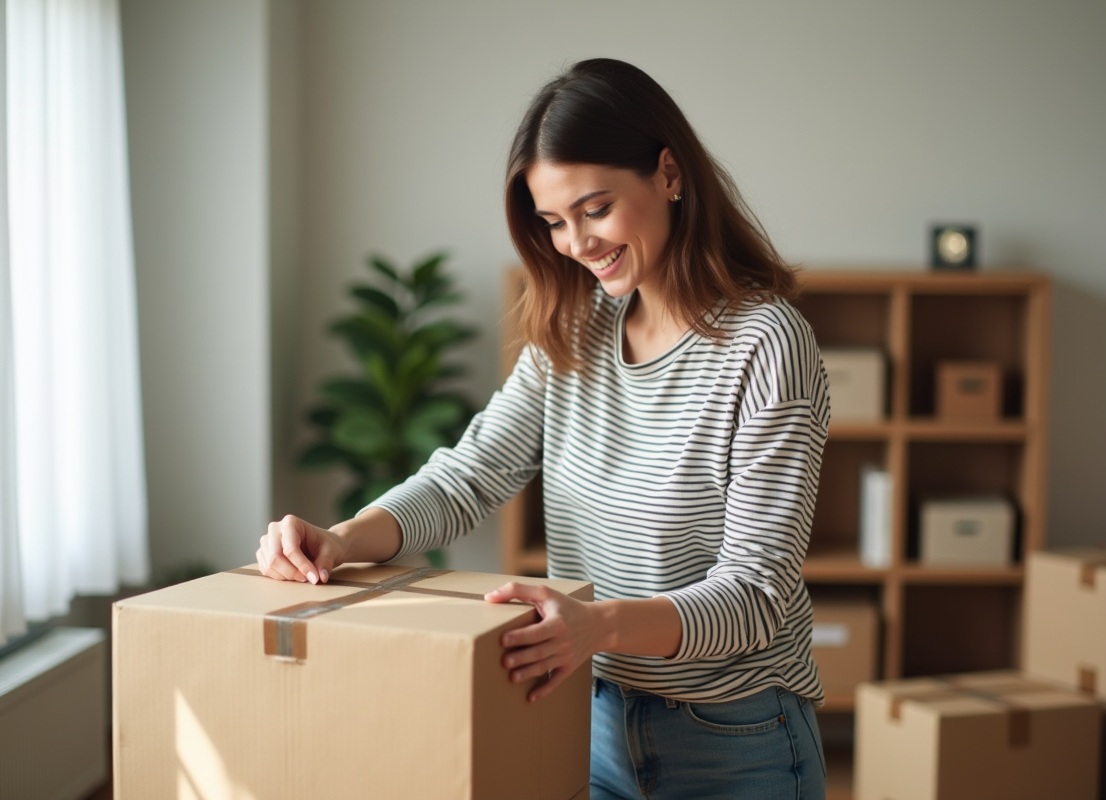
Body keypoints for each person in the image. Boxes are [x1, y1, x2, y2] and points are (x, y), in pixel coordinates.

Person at [257, 58, 830, 800]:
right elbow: (471, 474)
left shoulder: (766, 344)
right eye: (555, 222)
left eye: (595, 208)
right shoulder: (578, 327)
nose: (577, 244)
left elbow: (757, 595)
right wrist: (344, 537)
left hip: (731, 741)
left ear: (668, 174)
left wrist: (598, 626)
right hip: (586, 718)